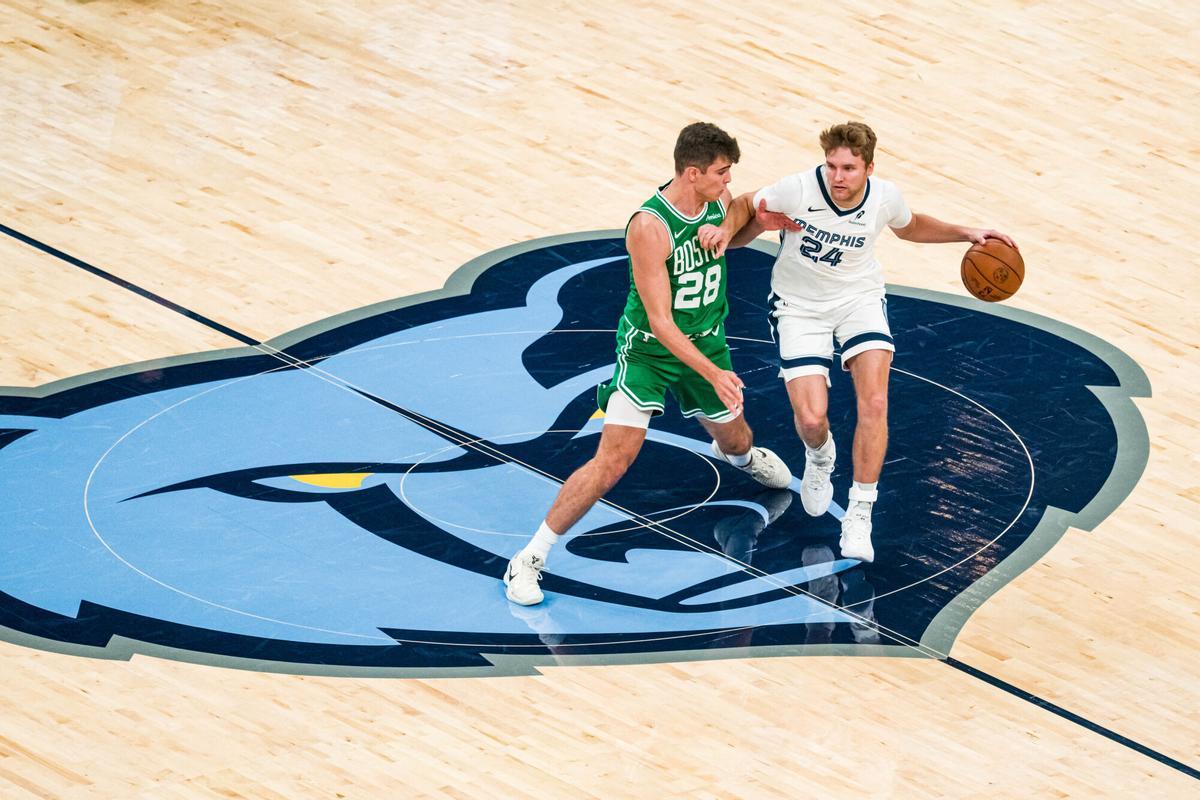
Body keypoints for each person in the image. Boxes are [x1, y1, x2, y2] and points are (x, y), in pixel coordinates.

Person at [503, 122, 793, 606]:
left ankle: (738, 458)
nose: (728, 181)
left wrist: (747, 226)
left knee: (738, 440)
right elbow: (660, 322)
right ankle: (529, 558)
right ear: (693, 172)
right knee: (614, 458)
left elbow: (745, 207)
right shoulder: (649, 226)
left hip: (707, 341)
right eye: (722, 173)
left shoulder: (716, 202)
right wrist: (713, 372)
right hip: (649, 353)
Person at [699, 121, 1016, 564]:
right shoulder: (799, 189)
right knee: (811, 419)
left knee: (875, 403)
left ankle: (860, 511)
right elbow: (747, 202)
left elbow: (910, 226)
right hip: (798, 306)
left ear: (868, 167)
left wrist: (967, 233)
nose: (838, 176)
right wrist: (726, 230)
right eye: (831, 166)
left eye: (848, 167)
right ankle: (820, 456)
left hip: (858, 301)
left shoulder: (885, 197)